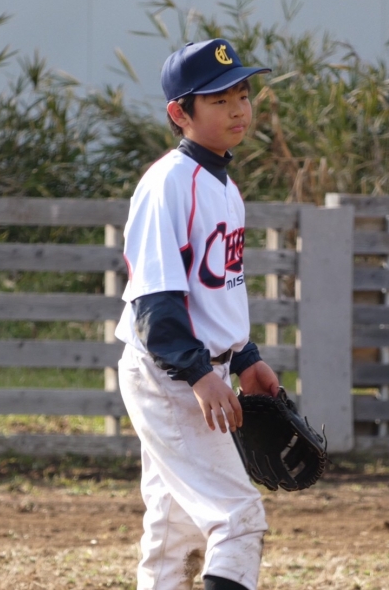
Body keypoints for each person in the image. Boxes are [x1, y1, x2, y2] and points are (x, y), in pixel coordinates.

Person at [115, 38, 279, 590]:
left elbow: (215, 291)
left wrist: (246, 359)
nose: (237, 109)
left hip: (196, 370)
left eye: (242, 94)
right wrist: (200, 375)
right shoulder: (169, 184)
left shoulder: (224, 186)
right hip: (172, 374)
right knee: (239, 517)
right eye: (218, 99)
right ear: (179, 112)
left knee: (174, 534)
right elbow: (154, 300)